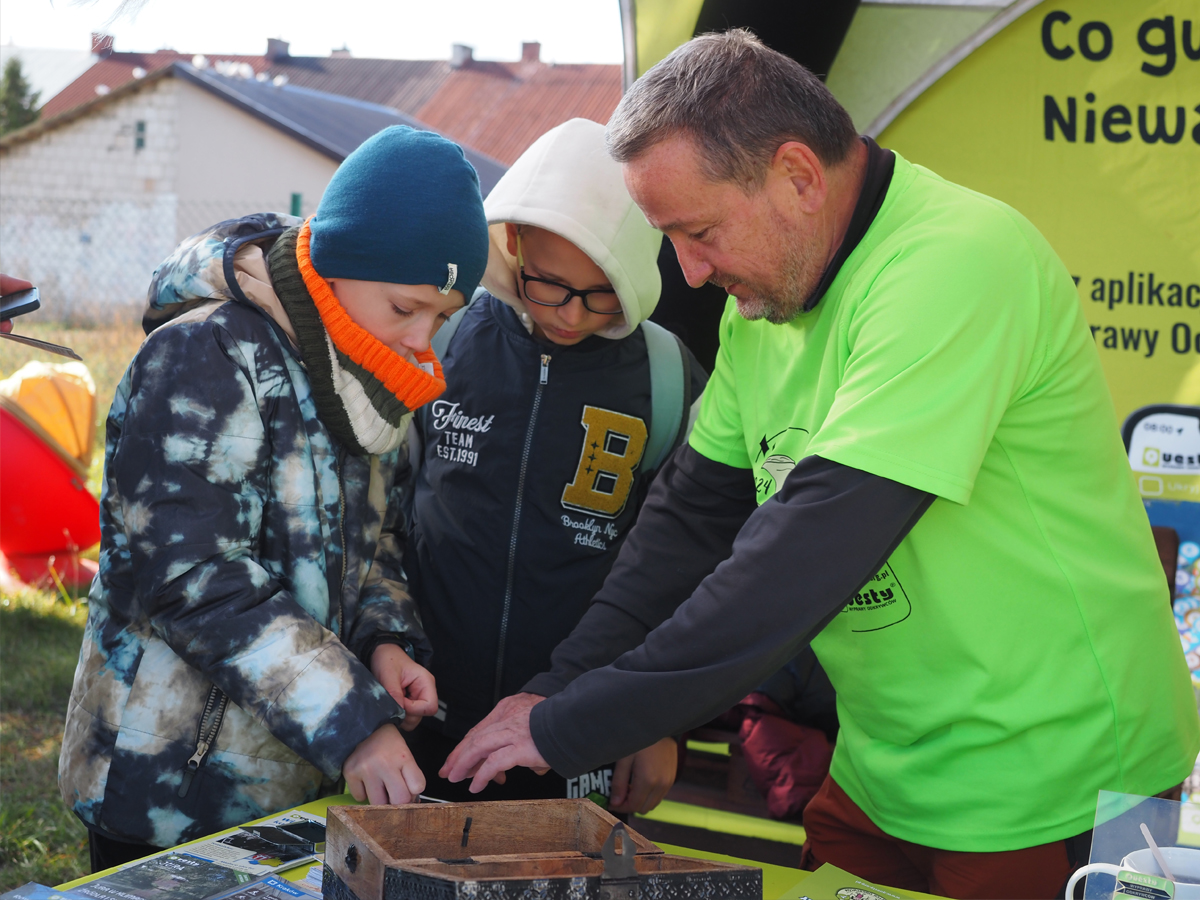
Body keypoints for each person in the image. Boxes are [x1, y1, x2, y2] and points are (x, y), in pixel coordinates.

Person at [442, 31, 1200, 899]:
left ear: (799, 176)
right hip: (889, 766)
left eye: (699, 232)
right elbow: (689, 521)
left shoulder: (956, 262)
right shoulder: (762, 306)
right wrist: (555, 688)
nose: (687, 272)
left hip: (1055, 776)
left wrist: (578, 723)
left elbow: (802, 559)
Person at [58, 126, 488, 871]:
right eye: (406, 306)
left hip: (285, 779)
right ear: (341, 262)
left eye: (442, 318)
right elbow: (190, 577)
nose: (422, 340)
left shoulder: (363, 373)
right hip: (165, 785)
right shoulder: (205, 353)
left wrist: (384, 642)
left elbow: (376, 540)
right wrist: (352, 719)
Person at [404, 118, 704, 813]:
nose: (571, 314)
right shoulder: (441, 342)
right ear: (511, 245)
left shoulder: (668, 380)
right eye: (548, 285)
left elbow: (687, 570)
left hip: (578, 735)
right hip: (423, 719)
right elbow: (382, 523)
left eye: (602, 293)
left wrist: (659, 720)